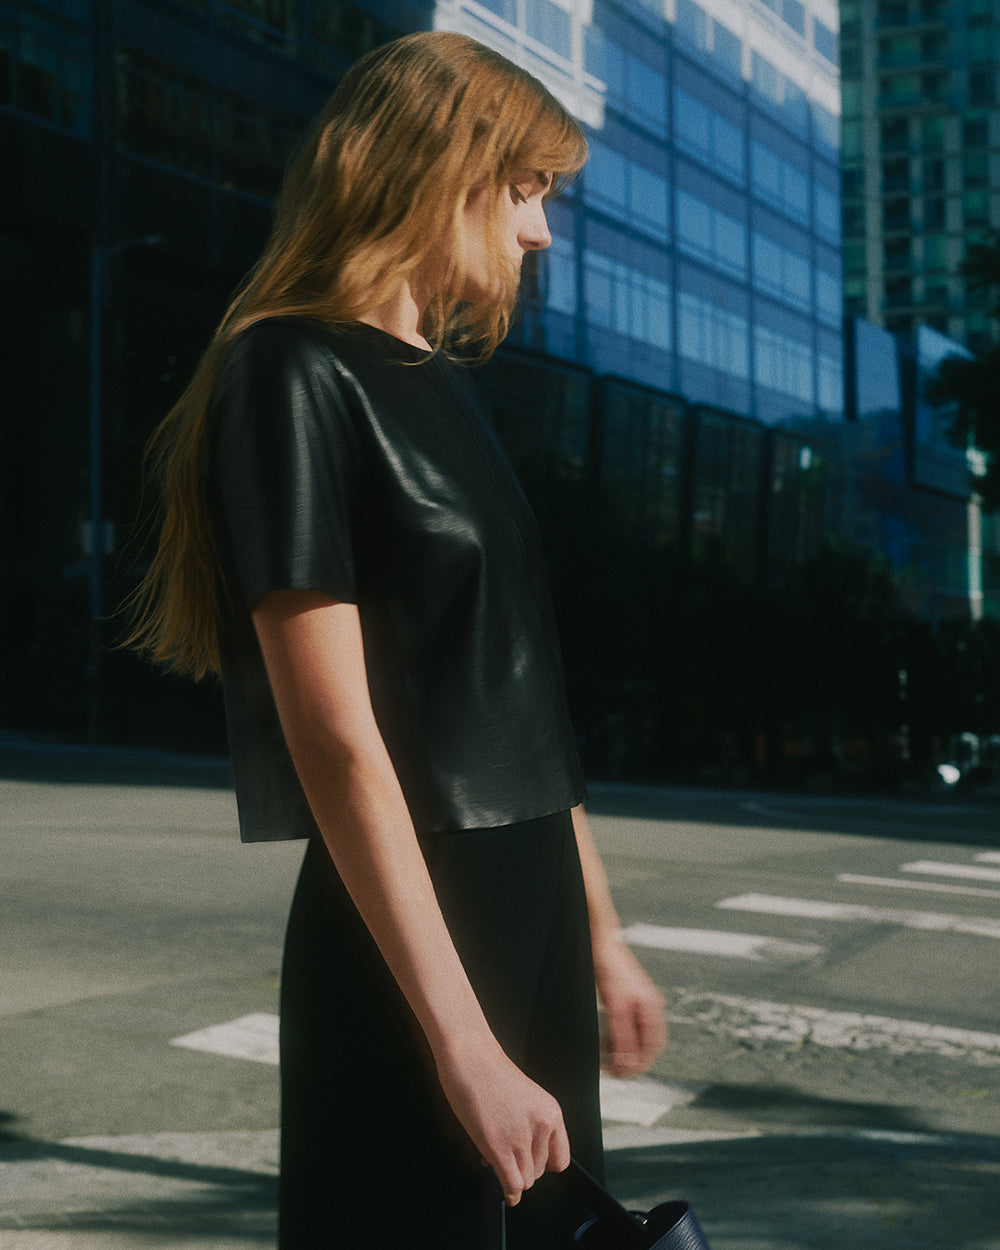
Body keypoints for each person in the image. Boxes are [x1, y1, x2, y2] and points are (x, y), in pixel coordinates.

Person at [129, 30, 666, 1250]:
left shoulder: (443, 382)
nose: (539, 232)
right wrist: (462, 1039)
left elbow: (517, 698)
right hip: (416, 929)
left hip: (527, 907)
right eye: (524, 189)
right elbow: (336, 736)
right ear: (432, 168)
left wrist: (603, 936)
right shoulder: (289, 372)